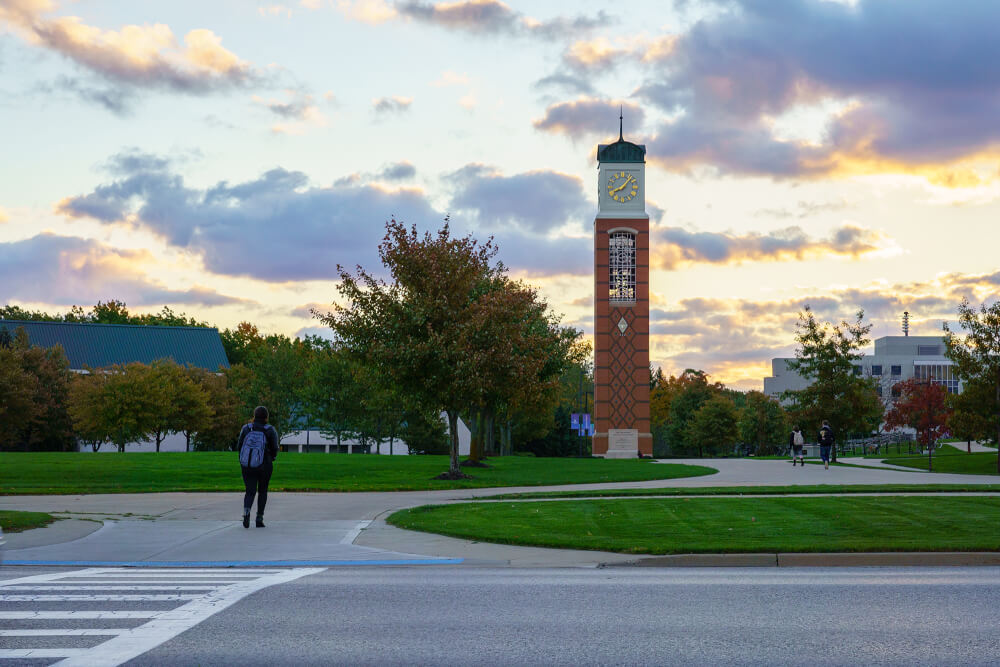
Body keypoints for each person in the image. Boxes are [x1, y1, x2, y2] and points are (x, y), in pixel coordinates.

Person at [238, 406, 279, 528]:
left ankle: (246, 512)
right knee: (262, 491)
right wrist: (271, 457)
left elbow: (239, 446)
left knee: (249, 491)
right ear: (266, 417)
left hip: (247, 464)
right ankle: (259, 518)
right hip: (264, 464)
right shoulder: (270, 430)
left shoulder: (246, 428)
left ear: (254, 415)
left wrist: (243, 461)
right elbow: (274, 448)